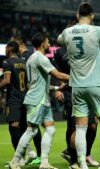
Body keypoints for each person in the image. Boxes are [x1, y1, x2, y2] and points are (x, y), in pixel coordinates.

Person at [57, 2, 100, 169]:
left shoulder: (67, 32)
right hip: (96, 84)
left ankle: (81, 163)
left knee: (80, 127)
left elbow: (60, 40)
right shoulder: (97, 31)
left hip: (77, 86)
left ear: (76, 15)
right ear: (93, 16)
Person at [9, 33, 69, 169]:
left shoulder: (32, 58)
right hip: (36, 100)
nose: (49, 44)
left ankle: (44, 162)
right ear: (42, 43)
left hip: (42, 99)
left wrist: (56, 87)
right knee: (31, 131)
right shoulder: (40, 58)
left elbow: (37, 82)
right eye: (47, 42)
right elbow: (57, 74)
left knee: (50, 129)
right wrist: (77, 77)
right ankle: (15, 161)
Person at [53, 46, 99, 169]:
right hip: (70, 91)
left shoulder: (83, 48)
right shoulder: (60, 52)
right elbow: (55, 71)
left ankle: (86, 154)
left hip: (87, 89)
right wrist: (57, 89)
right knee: (75, 127)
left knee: (93, 124)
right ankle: (73, 159)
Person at [11, 35, 43, 165]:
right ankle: (30, 154)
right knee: (27, 127)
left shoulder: (28, 56)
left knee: (34, 126)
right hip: (26, 96)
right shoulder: (22, 57)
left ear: (20, 44)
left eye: (14, 44)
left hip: (31, 95)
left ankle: (39, 155)